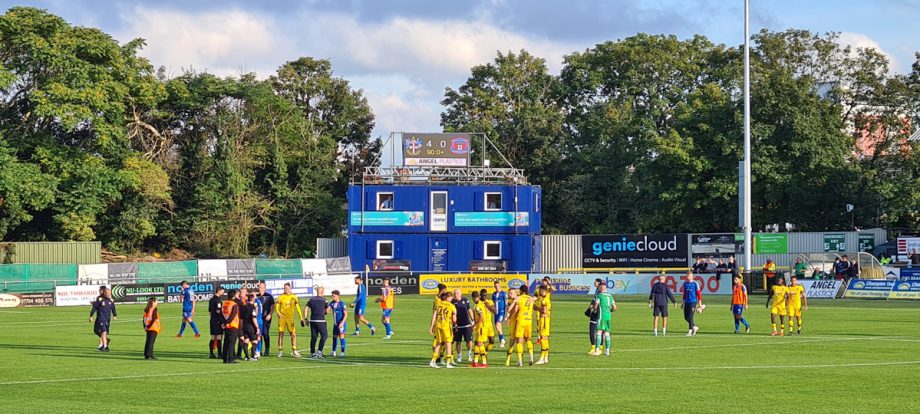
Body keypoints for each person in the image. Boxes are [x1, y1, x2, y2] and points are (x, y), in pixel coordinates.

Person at [506, 285, 536, 365]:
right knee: (528, 339)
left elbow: (515, 310)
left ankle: (520, 361)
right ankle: (531, 357)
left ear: (522, 291)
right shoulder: (530, 298)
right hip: (529, 321)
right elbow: (535, 304)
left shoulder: (520, 298)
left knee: (519, 341)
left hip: (521, 321)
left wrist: (509, 318)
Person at [429, 291, 456, 368]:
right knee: (448, 343)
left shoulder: (438, 304)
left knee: (438, 343)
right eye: (451, 298)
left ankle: (433, 361)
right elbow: (454, 319)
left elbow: (434, 316)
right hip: (446, 327)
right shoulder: (451, 306)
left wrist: (431, 327)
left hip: (438, 326)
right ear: (448, 298)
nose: (451, 299)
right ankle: (448, 362)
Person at [275, 283, 304, 358]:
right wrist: (278, 312)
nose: (286, 289)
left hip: (290, 319)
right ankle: (280, 350)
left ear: (290, 288)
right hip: (282, 318)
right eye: (284, 288)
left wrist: (301, 317)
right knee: (281, 333)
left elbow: (297, 307)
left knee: (293, 334)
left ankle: (294, 350)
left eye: (287, 288)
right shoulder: (281, 297)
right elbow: (277, 305)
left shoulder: (294, 297)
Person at [589, 282, 616, 356]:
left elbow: (596, 306)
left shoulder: (599, 295)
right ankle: (607, 351)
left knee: (599, 332)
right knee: (607, 333)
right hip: (608, 316)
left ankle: (597, 351)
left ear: (601, 288)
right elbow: (615, 308)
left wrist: (594, 309)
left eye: (599, 287)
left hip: (602, 316)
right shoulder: (610, 296)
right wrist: (609, 311)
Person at [89, 286, 117, 352]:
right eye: (107, 293)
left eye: (110, 294)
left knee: (104, 333)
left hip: (107, 319)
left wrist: (115, 315)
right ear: (104, 293)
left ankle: (101, 345)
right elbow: (94, 308)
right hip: (101, 318)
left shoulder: (111, 301)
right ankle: (105, 346)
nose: (109, 295)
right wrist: (91, 316)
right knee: (103, 332)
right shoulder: (100, 299)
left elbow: (113, 308)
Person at [306, 287, 330, 359]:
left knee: (314, 337)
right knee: (324, 335)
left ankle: (312, 352)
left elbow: (306, 309)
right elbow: (327, 311)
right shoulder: (324, 300)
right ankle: (319, 351)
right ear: (322, 292)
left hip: (312, 320)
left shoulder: (311, 299)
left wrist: (305, 318)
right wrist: (327, 311)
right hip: (321, 321)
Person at [451, 288, 475, 363]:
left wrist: (472, 320)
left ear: (461, 293)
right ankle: (459, 356)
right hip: (457, 325)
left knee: (469, 341)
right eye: (455, 293)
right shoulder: (452, 302)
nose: (456, 294)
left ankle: (469, 354)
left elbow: (469, 310)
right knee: (458, 341)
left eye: (457, 293)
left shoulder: (465, 300)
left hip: (466, 325)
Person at [220, 289, 241, 364]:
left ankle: (225, 358)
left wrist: (224, 323)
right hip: (232, 325)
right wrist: (227, 322)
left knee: (226, 342)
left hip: (226, 326)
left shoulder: (224, 303)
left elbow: (221, 314)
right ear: (234, 296)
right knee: (232, 343)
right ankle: (231, 358)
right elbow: (232, 316)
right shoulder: (234, 304)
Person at [469, 291, 488, 368]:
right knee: (476, 343)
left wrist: (474, 325)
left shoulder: (477, 306)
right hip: (481, 326)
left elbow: (481, 317)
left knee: (480, 344)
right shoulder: (481, 304)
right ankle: (475, 362)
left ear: (473, 298)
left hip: (481, 327)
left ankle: (484, 362)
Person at [256, 281, 275, 356]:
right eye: (259, 287)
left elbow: (273, 307)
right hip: (258, 318)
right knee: (259, 333)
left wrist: (270, 314)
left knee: (265, 333)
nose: (259, 289)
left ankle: (267, 349)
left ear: (264, 288)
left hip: (266, 317)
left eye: (261, 287)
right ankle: (259, 349)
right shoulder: (256, 296)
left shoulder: (269, 296)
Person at [239, 293, 260, 361]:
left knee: (246, 341)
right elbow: (254, 318)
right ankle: (253, 356)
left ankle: (246, 356)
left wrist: (241, 327)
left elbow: (241, 318)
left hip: (244, 326)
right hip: (250, 326)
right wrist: (257, 327)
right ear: (253, 298)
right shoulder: (252, 307)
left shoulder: (244, 307)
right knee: (255, 341)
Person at [534, 285, 551, 365]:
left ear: (543, 291)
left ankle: (542, 357)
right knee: (545, 338)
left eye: (540, 291)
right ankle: (546, 357)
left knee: (543, 338)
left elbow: (544, 311)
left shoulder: (544, 300)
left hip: (543, 320)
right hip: (546, 320)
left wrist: (536, 308)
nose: (539, 292)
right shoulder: (546, 298)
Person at [682, 272, 702, 336]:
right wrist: (683, 303)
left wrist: (700, 304)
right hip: (687, 302)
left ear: (692, 276)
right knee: (686, 317)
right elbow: (684, 294)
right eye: (687, 275)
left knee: (690, 316)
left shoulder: (695, 283)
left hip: (693, 302)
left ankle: (690, 331)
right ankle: (694, 327)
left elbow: (698, 294)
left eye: (689, 275)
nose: (688, 276)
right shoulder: (685, 283)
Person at [208, 287, 225, 359]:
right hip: (217, 320)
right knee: (218, 337)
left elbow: (209, 311)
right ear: (219, 291)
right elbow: (218, 311)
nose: (223, 293)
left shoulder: (211, 299)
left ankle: (211, 354)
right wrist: (222, 320)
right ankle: (219, 354)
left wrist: (212, 319)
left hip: (212, 319)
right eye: (222, 292)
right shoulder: (218, 300)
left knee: (212, 337)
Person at [330, 290, 348, 357]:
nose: (333, 297)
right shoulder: (332, 303)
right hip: (335, 324)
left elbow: (346, 314)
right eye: (332, 296)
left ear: (338, 296)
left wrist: (342, 323)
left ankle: (342, 352)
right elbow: (327, 310)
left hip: (341, 323)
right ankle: (333, 351)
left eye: (334, 296)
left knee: (341, 337)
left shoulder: (342, 303)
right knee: (334, 337)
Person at [587, 278, 602, 353]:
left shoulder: (599, 292)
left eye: (595, 281)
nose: (594, 282)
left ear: (598, 283)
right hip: (601, 312)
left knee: (593, 330)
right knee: (600, 330)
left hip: (596, 312)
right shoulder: (598, 291)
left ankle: (594, 347)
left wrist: (592, 308)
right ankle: (600, 348)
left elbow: (595, 301)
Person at [492, 281, 508, 348]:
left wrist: (507, 314)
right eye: (495, 286)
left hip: (501, 312)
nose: (497, 287)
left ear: (500, 286)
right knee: (498, 327)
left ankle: (502, 339)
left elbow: (506, 304)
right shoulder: (494, 294)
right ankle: (501, 341)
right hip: (496, 313)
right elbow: (493, 304)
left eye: (498, 286)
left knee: (498, 324)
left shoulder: (503, 294)